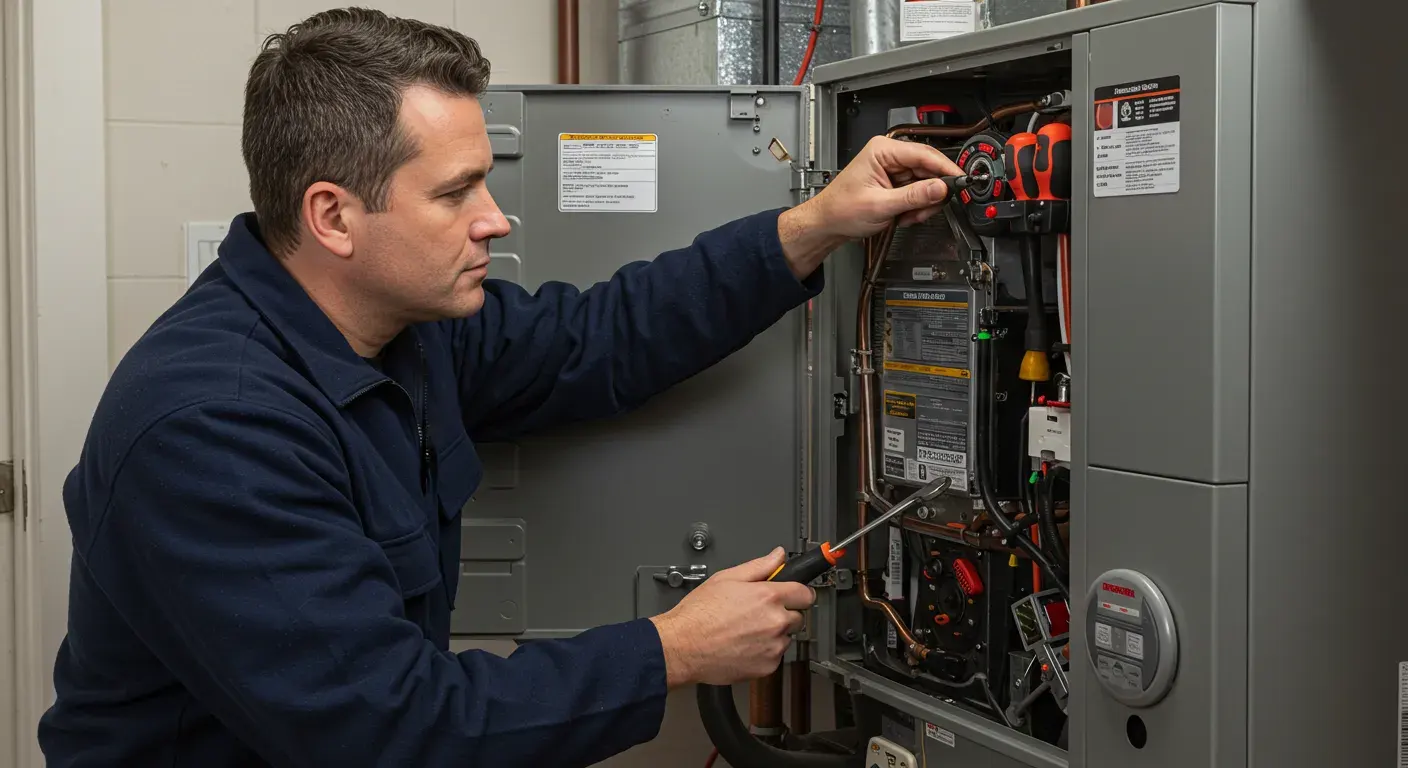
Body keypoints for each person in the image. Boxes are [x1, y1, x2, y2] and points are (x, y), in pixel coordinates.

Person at [38, 8, 961, 768]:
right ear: (333, 217)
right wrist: (671, 649)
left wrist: (813, 225)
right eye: (455, 193)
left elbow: (599, 338)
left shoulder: (405, 330)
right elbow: (387, 727)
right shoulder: (215, 429)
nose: (495, 217)